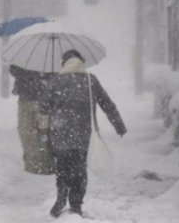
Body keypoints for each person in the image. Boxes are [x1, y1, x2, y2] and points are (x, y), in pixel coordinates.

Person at [43, 49, 127, 218]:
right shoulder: (90, 80)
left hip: (59, 133)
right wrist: (119, 125)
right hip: (83, 135)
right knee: (79, 170)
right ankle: (76, 205)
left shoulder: (56, 81)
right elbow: (107, 104)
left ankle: (61, 197)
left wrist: (46, 128)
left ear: (64, 63)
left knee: (62, 167)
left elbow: (43, 108)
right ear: (81, 62)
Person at [9, 64, 56, 175]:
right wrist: (30, 75)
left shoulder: (51, 55)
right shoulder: (26, 55)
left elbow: (57, 75)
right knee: (26, 131)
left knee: (44, 132)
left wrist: (43, 76)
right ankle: (33, 163)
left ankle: (46, 164)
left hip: (45, 99)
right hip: (27, 98)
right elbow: (13, 69)